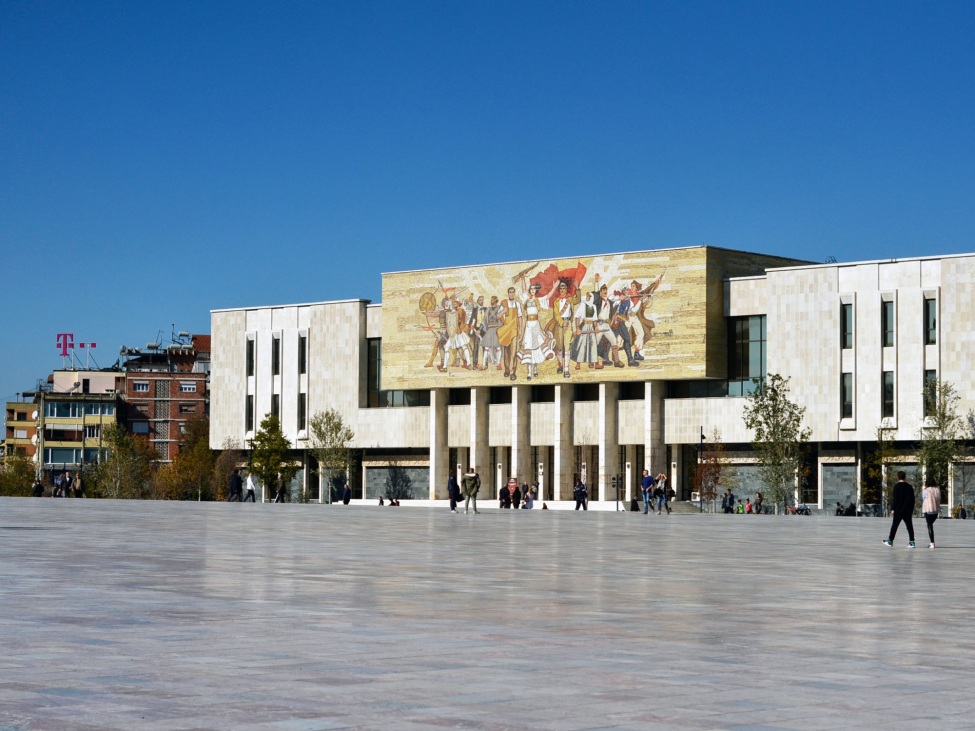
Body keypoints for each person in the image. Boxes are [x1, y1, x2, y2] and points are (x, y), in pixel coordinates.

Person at [883, 471, 916, 548]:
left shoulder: (897, 486)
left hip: (898, 510)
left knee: (894, 526)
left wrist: (893, 508)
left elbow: (895, 499)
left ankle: (890, 541)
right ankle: (912, 542)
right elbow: (912, 499)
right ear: (905, 477)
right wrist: (911, 509)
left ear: (898, 477)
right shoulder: (909, 487)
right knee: (909, 526)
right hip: (907, 510)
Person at [922, 476, 942, 549]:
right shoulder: (937, 489)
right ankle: (932, 543)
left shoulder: (925, 490)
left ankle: (932, 543)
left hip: (928, 510)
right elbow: (939, 498)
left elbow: (923, 498)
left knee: (929, 526)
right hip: (935, 510)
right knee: (930, 525)